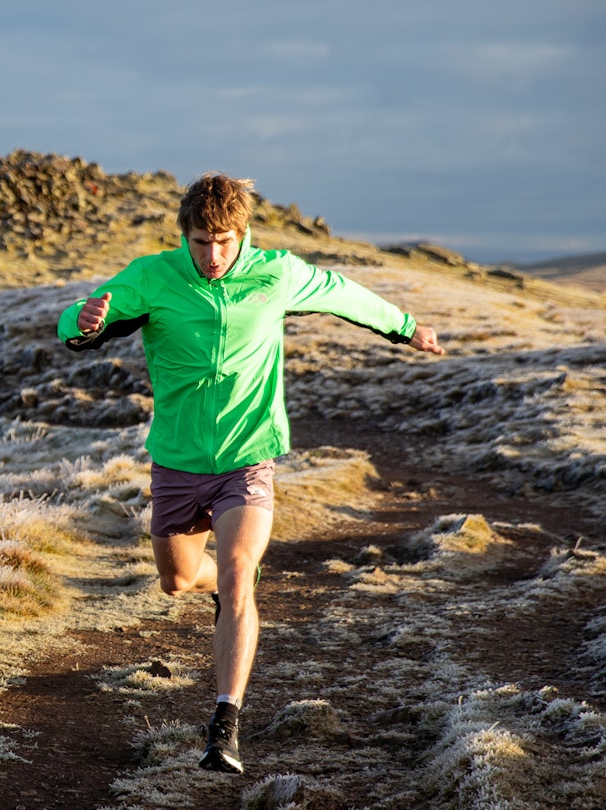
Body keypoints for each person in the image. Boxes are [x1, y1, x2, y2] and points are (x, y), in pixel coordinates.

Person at [55, 172, 444, 774]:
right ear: (184, 235)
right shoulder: (152, 277)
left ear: (244, 234)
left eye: (225, 241)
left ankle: (225, 723)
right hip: (179, 460)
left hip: (248, 454)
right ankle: (220, 589)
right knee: (179, 581)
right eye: (201, 242)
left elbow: (343, 293)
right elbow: (86, 316)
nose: (213, 255)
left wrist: (405, 326)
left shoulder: (276, 273)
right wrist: (83, 323)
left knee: (240, 575)